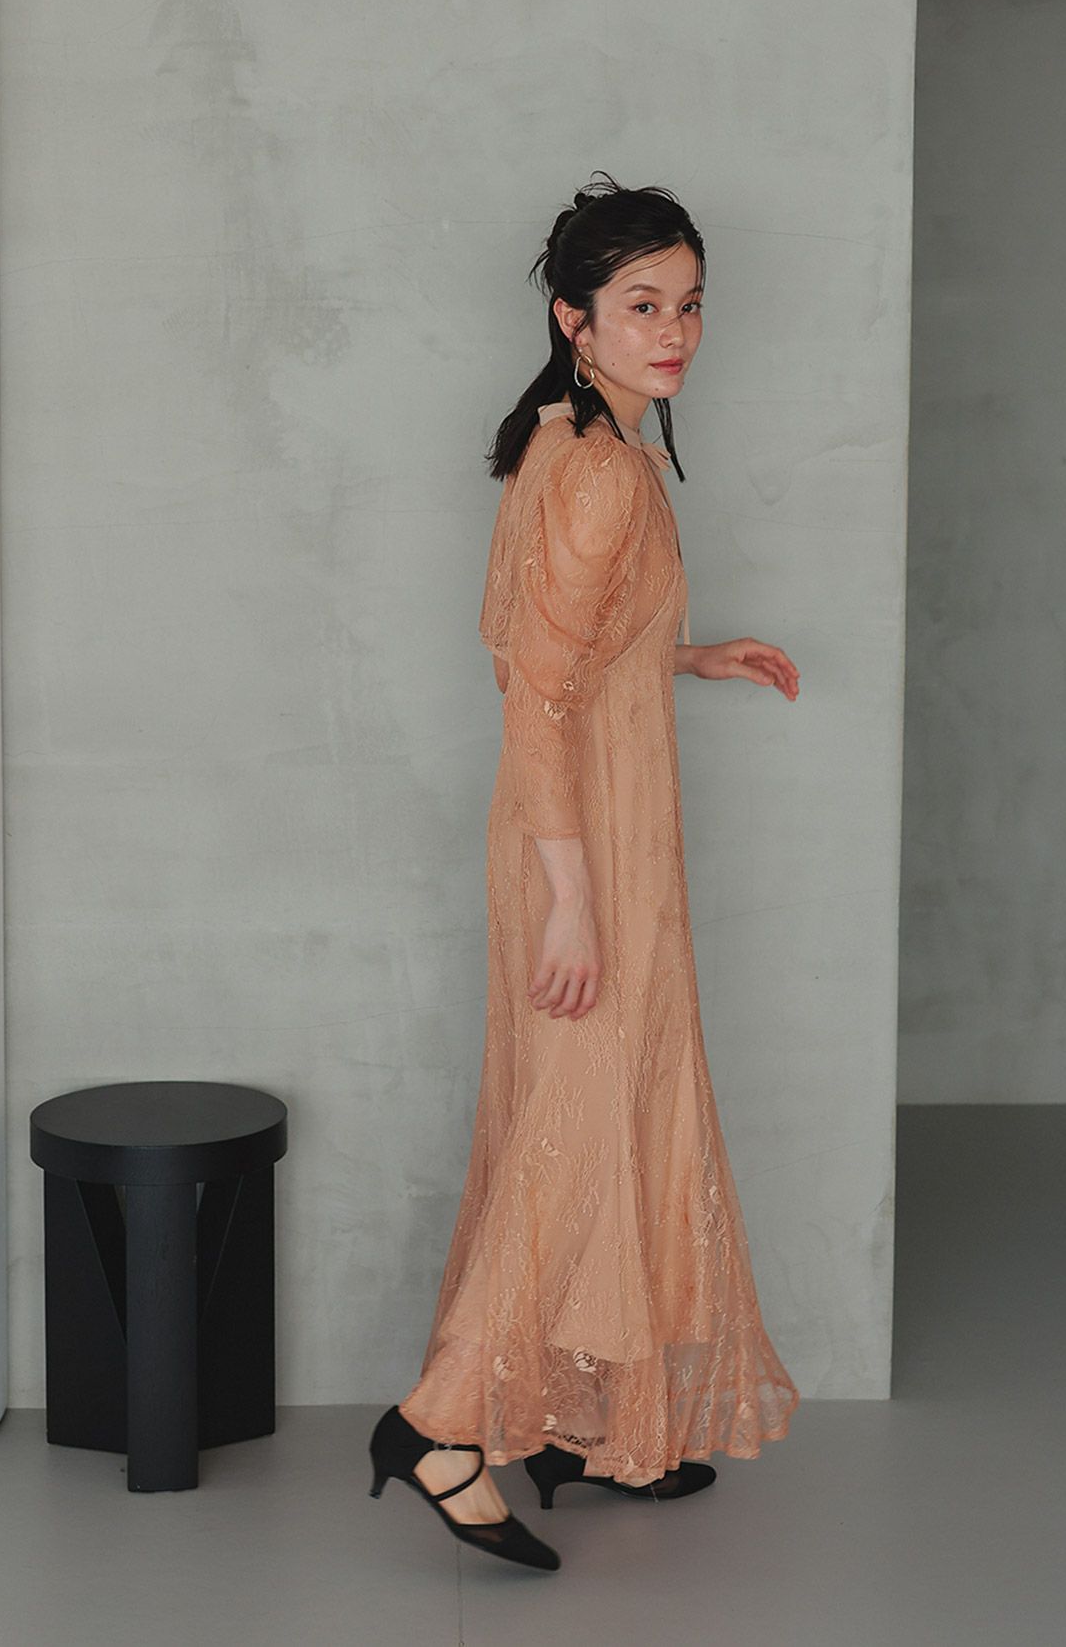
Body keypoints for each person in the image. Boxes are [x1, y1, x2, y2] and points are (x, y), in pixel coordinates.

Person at [368, 174, 801, 1570]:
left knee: (597, 1117)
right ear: (576, 320)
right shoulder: (604, 470)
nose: (673, 333)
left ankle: (577, 1421)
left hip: (580, 829)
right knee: (577, 1129)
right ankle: (437, 1427)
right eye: (642, 306)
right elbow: (536, 696)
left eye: (689, 306)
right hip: (588, 846)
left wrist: (692, 656)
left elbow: (566, 650)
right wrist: (573, 898)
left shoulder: (570, 439)